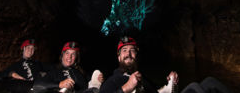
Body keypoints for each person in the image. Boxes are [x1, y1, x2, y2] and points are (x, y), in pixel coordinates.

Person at [99, 37, 231, 93]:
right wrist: (125, 89)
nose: (129, 54)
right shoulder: (113, 80)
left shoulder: (142, 77)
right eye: (124, 51)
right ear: (118, 57)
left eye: (132, 50)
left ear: (137, 55)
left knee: (210, 82)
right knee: (195, 87)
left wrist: (171, 84)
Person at [39, 41, 104, 93]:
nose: (70, 57)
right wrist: (59, 84)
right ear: (62, 55)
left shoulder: (81, 72)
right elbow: (38, 85)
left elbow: (92, 81)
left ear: (76, 57)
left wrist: (98, 79)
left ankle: (93, 88)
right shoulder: (54, 70)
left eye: (73, 54)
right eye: (67, 53)